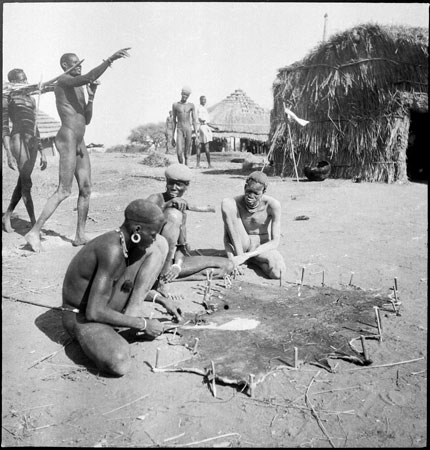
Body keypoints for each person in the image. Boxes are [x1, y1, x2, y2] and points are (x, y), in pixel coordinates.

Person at [24, 48, 130, 252]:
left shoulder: (80, 88)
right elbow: (90, 75)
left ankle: (80, 235)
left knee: (86, 188)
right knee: (64, 190)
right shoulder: (63, 81)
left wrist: (91, 97)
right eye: (75, 63)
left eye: (80, 63)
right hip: (67, 137)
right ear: (65, 66)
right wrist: (109, 60)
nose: (79, 66)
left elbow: (86, 119)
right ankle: (34, 231)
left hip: (80, 140)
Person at [62, 199, 183, 376]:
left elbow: (120, 286)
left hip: (99, 305)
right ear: (137, 230)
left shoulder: (125, 243)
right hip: (80, 317)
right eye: (153, 233)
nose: (154, 238)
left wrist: (161, 300)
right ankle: (114, 332)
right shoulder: (111, 250)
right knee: (119, 362)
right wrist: (142, 324)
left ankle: (120, 326)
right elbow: (94, 312)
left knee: (160, 245)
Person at [146, 163, 233, 293]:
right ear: (166, 182)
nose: (174, 188)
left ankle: (164, 277)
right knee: (173, 215)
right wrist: (168, 205)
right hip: (150, 259)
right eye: (171, 183)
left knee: (227, 266)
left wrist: (177, 266)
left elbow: (181, 247)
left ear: (186, 186)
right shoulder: (155, 199)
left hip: (168, 261)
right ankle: (161, 280)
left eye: (179, 184)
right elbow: (146, 226)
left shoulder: (181, 207)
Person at [2, 68, 48, 233]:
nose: (25, 82)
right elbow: (4, 127)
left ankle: (7, 214)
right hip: (17, 139)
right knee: (27, 183)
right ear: (13, 82)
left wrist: (42, 151)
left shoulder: (30, 98)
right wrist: (8, 153)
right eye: (21, 80)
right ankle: (34, 223)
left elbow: (35, 125)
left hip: (32, 141)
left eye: (26, 79)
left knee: (23, 181)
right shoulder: (7, 97)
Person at [221, 171, 286, 279]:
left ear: (264, 191)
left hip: (260, 247)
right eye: (249, 191)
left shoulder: (272, 205)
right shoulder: (235, 203)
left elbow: (275, 242)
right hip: (241, 245)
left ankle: (252, 260)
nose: (250, 196)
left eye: (256, 193)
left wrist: (246, 256)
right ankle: (244, 260)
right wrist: (232, 259)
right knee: (226, 203)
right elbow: (227, 237)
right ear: (245, 187)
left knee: (278, 273)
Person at [171, 87, 198, 166]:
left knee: (187, 153)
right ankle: (181, 167)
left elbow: (194, 120)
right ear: (181, 94)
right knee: (179, 152)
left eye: (187, 95)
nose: (185, 96)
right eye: (184, 94)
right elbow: (173, 120)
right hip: (180, 129)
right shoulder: (175, 105)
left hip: (188, 129)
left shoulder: (191, 105)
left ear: (188, 96)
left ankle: (186, 169)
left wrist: (196, 135)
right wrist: (172, 136)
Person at [196, 95, 218, 169]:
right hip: (203, 127)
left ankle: (198, 164)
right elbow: (200, 118)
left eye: (205, 100)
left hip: (202, 127)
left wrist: (214, 127)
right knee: (206, 146)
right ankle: (209, 164)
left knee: (199, 147)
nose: (204, 101)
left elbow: (207, 122)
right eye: (203, 99)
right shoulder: (201, 109)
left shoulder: (203, 109)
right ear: (200, 100)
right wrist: (202, 121)